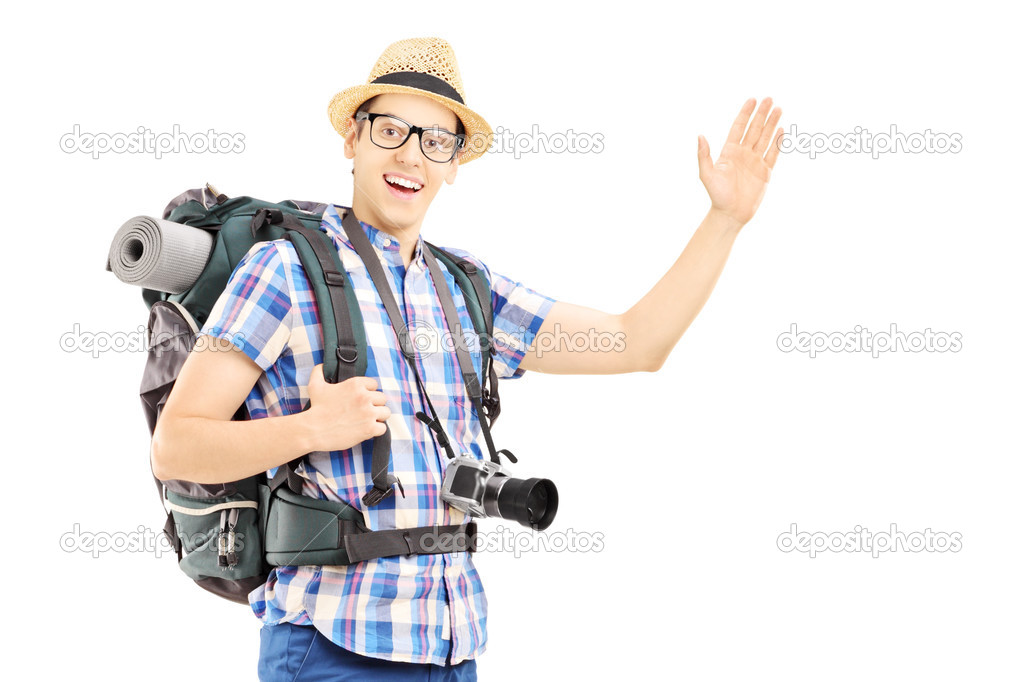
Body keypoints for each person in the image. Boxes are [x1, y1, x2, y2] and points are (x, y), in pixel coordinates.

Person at [150, 37, 783, 681]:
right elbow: (176, 446)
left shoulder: (464, 290)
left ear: (453, 162)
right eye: (390, 129)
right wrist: (310, 430)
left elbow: (635, 342)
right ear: (352, 138)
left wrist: (724, 219)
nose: (411, 155)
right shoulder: (283, 269)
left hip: (454, 650)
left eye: (435, 140)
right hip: (331, 648)